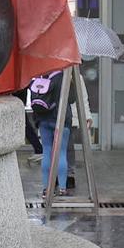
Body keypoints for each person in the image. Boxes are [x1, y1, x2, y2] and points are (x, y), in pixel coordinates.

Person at [29, 69, 71, 197]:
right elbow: (73, 98)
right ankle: (62, 188)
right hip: (61, 119)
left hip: (43, 120)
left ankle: (47, 188)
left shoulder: (41, 78)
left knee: (47, 151)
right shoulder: (63, 77)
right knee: (61, 152)